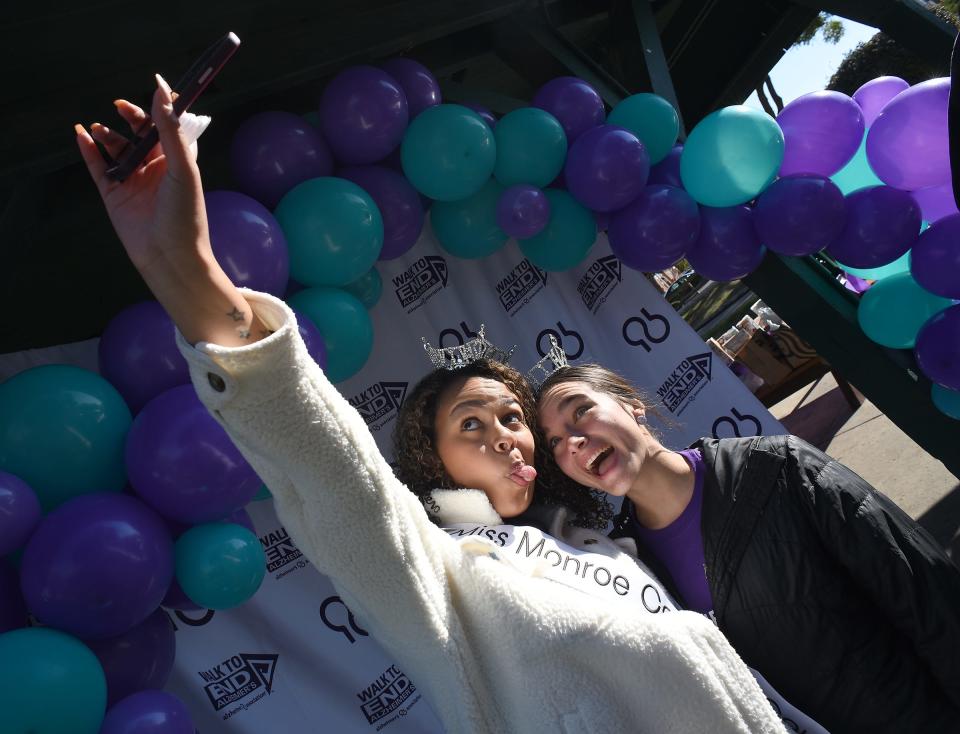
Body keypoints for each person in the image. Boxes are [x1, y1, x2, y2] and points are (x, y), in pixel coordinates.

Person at [74, 76, 788, 733]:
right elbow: (340, 482)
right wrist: (189, 267)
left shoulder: (610, 549)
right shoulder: (446, 578)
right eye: (471, 425)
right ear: (429, 461)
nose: (507, 436)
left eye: (513, 418)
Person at [536, 363, 960, 733]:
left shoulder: (777, 469)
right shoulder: (624, 568)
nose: (572, 439)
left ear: (632, 405)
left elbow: (925, 594)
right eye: (554, 442)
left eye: (581, 410)